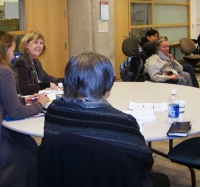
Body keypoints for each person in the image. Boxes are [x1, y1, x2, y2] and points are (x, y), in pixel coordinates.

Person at [43, 52, 170, 187]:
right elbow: (143, 166)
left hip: (67, 178)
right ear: (107, 88)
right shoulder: (123, 122)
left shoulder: (54, 110)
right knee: (162, 179)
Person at [0, 31, 50, 187]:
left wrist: (24, 100)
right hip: (2, 136)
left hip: (4, 126)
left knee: (29, 144)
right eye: (11, 50)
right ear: (5, 49)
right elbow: (15, 112)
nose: (12, 55)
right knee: (28, 156)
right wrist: (39, 104)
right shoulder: (4, 72)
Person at [12, 30, 64, 96]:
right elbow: (24, 89)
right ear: (26, 45)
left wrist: (66, 80)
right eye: (35, 42)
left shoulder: (36, 62)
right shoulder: (21, 62)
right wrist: (47, 85)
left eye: (41, 43)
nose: (39, 46)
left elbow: (47, 78)